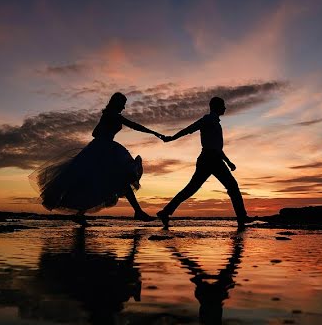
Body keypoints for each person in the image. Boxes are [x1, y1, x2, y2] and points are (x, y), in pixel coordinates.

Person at [31, 92, 165, 224]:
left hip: (101, 148)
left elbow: (94, 132)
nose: (123, 108)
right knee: (117, 179)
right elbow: (133, 126)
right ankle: (137, 212)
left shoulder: (108, 115)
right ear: (116, 103)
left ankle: (81, 214)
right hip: (104, 149)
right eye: (123, 104)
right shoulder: (113, 115)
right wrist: (155, 133)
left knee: (96, 182)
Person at [157, 96, 248, 228]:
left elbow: (216, 148)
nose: (225, 108)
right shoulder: (208, 120)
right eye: (223, 105)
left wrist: (228, 162)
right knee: (231, 187)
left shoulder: (216, 123)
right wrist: (172, 138)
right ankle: (242, 217)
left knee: (192, 189)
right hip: (209, 159)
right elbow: (189, 129)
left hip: (211, 158)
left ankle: (165, 212)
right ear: (216, 107)